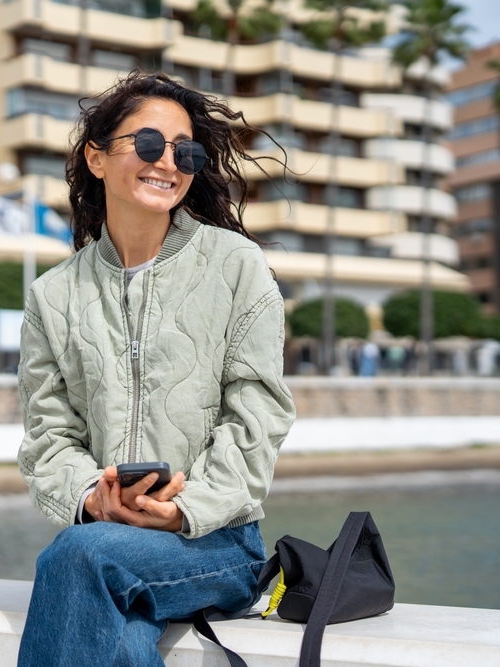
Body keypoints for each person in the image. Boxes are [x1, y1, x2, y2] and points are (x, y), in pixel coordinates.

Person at [16, 72, 296, 667]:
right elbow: (48, 437)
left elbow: (259, 414)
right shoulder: (52, 296)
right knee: (103, 590)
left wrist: (185, 510)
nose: (167, 162)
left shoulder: (237, 266)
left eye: (185, 151)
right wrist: (95, 500)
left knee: (80, 559)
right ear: (96, 157)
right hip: (108, 541)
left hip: (215, 543)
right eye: (148, 144)